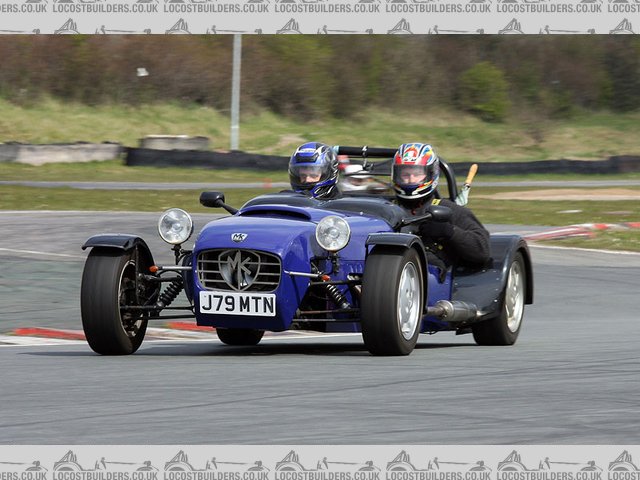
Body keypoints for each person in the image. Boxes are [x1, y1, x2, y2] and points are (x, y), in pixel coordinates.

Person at [392, 143, 490, 271]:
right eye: (405, 174)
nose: (411, 179)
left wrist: (448, 231)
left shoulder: (450, 210)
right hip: (388, 267)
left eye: (417, 174)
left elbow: (482, 251)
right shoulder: (387, 208)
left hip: (431, 274)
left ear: (431, 174)